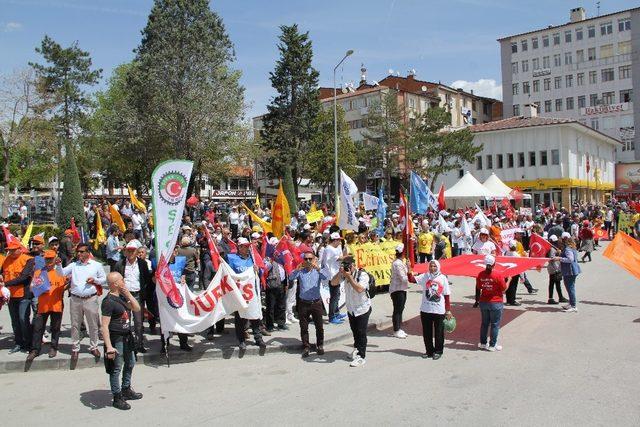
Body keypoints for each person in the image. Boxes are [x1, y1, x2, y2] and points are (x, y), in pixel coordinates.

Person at [56, 242, 107, 367]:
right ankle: (75, 348)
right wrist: (58, 265)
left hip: (91, 298)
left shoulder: (96, 265)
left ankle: (93, 346)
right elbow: (61, 274)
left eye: (82, 251)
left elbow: (103, 278)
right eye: (78, 252)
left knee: (93, 324)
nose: (79, 254)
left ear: (88, 253)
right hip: (75, 299)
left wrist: (94, 280)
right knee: (75, 324)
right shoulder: (73, 265)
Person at [101, 272, 143, 410]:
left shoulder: (122, 297)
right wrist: (109, 347)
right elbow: (105, 326)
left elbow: (137, 308)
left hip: (127, 336)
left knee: (130, 362)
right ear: (115, 284)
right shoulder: (108, 302)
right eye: (122, 280)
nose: (124, 281)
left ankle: (126, 389)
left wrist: (128, 295)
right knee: (116, 368)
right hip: (116, 338)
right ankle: (117, 397)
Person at [113, 240, 153, 353]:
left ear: (136, 252)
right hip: (124, 296)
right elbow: (114, 278)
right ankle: (125, 344)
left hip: (137, 295)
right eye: (128, 250)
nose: (130, 253)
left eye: (132, 251)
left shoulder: (142, 263)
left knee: (138, 322)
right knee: (125, 321)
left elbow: (146, 278)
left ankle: (139, 344)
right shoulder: (120, 264)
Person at [27, 250, 67, 361]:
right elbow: (31, 288)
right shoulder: (39, 272)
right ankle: (35, 350)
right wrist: (39, 288)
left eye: (51, 258)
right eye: (47, 259)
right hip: (43, 306)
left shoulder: (59, 272)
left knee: (55, 328)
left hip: (56, 305)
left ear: (55, 259)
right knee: (38, 328)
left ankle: (53, 347)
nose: (49, 261)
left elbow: (65, 284)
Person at [331, 255, 371, 367]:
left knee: (361, 333)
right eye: (344, 266)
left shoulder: (362, 275)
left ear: (353, 265)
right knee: (354, 331)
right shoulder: (344, 274)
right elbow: (333, 283)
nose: (346, 268)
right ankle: (357, 349)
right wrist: (340, 274)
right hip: (351, 308)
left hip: (362, 308)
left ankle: (361, 357)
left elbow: (359, 289)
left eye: (347, 265)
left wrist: (349, 277)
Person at [227, 237, 265, 350]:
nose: (248, 248)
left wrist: (258, 270)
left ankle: (258, 338)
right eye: (245, 246)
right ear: (239, 247)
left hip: (252, 292)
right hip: (239, 294)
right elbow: (228, 274)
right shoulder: (232, 258)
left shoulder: (252, 258)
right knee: (240, 318)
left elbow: (260, 272)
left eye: (248, 246)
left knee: (255, 315)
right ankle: (241, 340)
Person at [289, 251, 326, 357]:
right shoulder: (301, 271)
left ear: (314, 259)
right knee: (304, 326)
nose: (308, 261)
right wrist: (297, 269)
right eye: (306, 259)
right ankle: (306, 346)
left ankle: (320, 345)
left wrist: (318, 269)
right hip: (303, 303)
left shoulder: (317, 271)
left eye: (310, 259)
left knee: (319, 326)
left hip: (316, 302)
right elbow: (291, 277)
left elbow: (326, 278)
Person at [2, 240, 35, 353]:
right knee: (15, 321)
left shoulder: (28, 259)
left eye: (13, 250)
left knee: (23, 319)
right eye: (9, 250)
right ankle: (18, 343)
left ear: (19, 249)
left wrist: (6, 284)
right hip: (11, 296)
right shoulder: (6, 260)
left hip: (23, 295)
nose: (10, 252)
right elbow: (2, 273)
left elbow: (24, 277)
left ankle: (29, 343)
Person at [416, 259, 452, 360]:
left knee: (438, 332)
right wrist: (409, 268)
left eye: (434, 266)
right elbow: (411, 279)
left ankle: (438, 351)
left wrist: (448, 310)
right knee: (426, 332)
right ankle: (429, 351)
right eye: (431, 266)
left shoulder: (443, 278)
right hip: (425, 309)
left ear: (438, 267)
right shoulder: (425, 276)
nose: (432, 268)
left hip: (439, 311)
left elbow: (447, 295)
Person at [474, 255, 508, 352]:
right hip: (495, 302)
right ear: (494, 264)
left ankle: (483, 343)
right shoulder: (498, 275)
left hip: (484, 302)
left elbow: (479, 287)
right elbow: (504, 289)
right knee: (495, 324)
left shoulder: (480, 274)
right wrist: (509, 280)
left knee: (484, 323)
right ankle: (492, 345)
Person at [320, 232, 346, 324]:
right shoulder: (329, 249)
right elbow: (337, 259)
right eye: (339, 240)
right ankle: (332, 316)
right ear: (335, 240)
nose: (340, 242)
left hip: (336, 274)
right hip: (332, 275)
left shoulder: (333, 248)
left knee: (337, 295)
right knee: (334, 297)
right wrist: (346, 257)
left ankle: (336, 312)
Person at [389, 243, 409, 339]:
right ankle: (396, 330)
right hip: (397, 290)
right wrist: (411, 274)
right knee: (397, 310)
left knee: (401, 309)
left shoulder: (401, 262)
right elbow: (403, 278)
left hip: (402, 288)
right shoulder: (397, 263)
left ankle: (399, 328)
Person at [556, 237, 581, 313]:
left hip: (570, 271)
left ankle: (573, 306)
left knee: (570, 288)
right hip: (572, 270)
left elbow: (570, 259)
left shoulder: (567, 249)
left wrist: (559, 258)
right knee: (570, 287)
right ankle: (571, 303)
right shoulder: (572, 248)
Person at [264, 254, 287, 332]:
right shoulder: (268, 258)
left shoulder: (281, 259)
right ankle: (270, 325)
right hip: (272, 285)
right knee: (270, 306)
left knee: (281, 305)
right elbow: (265, 268)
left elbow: (285, 271)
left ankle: (281, 323)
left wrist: (286, 284)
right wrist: (270, 261)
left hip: (282, 284)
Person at [546, 235, 567, 305]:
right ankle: (550, 298)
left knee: (558, 283)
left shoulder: (554, 248)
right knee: (552, 284)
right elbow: (552, 258)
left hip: (555, 267)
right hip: (554, 268)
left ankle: (560, 297)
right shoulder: (552, 249)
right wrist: (558, 255)